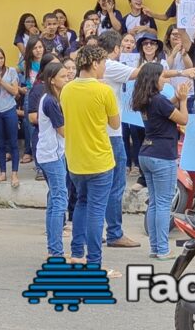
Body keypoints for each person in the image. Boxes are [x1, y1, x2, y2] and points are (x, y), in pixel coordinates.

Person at [60, 46, 120, 271]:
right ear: (95, 63)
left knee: (81, 204)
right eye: (104, 63)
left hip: (75, 159)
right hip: (99, 159)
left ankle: (77, 252)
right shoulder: (104, 91)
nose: (105, 67)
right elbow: (114, 123)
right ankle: (94, 261)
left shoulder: (67, 89)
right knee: (96, 210)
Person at [132, 63, 191, 260]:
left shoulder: (146, 99)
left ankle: (155, 247)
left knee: (156, 202)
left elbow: (166, 108)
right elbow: (183, 119)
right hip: (162, 154)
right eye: (162, 77)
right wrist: (183, 100)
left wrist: (176, 98)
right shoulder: (158, 100)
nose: (165, 80)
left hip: (146, 153)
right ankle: (163, 249)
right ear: (154, 78)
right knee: (164, 203)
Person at [98, 30, 144, 248]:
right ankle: (115, 232)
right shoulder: (111, 65)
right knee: (116, 185)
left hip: (98, 132)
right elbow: (138, 73)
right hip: (112, 133)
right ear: (116, 48)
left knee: (98, 186)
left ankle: (97, 231)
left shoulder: (94, 67)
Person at [37, 63, 70, 257]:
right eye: (63, 77)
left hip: (52, 153)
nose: (67, 79)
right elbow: (62, 130)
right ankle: (56, 250)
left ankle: (53, 247)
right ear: (52, 80)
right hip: (52, 155)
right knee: (59, 199)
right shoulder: (50, 101)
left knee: (54, 199)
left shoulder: (54, 98)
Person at [0, 47, 21, 188]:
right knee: (0, 143)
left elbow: (15, 91)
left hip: (9, 109)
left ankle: (14, 173)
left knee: (13, 142)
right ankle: (2, 172)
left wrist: (1, 81)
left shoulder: (11, 71)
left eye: (1, 58)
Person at [20, 36, 46, 164]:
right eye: (35, 48)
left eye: (40, 47)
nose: (38, 50)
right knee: (32, 129)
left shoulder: (48, 61)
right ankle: (37, 164)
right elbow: (15, 73)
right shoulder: (25, 63)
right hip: (30, 95)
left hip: (46, 93)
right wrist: (20, 88)